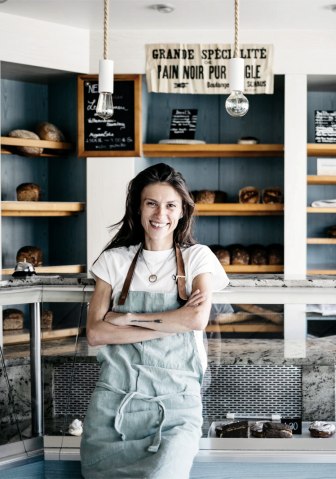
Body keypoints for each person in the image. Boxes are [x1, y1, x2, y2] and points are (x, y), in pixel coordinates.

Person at [81, 162, 228, 478]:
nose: (161, 214)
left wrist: (128, 318)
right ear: (138, 208)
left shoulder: (198, 258)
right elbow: (95, 333)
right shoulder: (113, 261)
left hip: (177, 406)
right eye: (151, 203)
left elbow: (196, 320)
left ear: (181, 212)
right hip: (114, 404)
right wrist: (173, 319)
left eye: (170, 205)